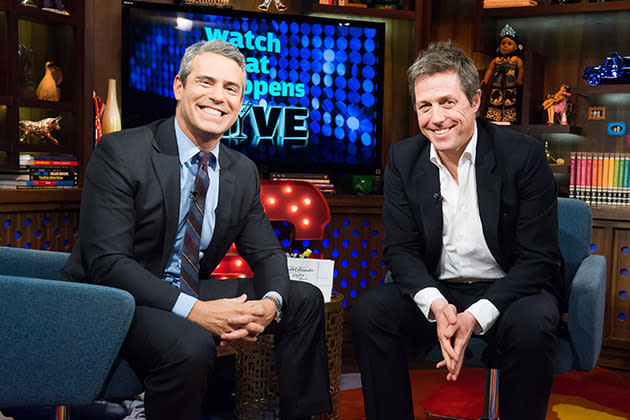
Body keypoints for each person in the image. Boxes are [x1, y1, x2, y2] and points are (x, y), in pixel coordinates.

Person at [60, 39, 331, 420]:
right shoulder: (122, 152)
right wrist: (197, 311)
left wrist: (270, 305)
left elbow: (267, 252)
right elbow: (107, 263)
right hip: (118, 298)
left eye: (231, 88)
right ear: (178, 87)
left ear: (241, 103)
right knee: (191, 341)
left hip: (184, 290)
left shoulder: (241, 170)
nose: (218, 97)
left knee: (302, 300)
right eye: (206, 83)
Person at [351, 42, 563, 420]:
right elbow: (400, 250)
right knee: (371, 310)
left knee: (534, 323)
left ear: (475, 101)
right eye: (425, 106)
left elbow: (538, 259)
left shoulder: (522, 155)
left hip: (511, 290)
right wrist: (437, 304)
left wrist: (476, 315)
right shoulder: (404, 158)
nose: (436, 118)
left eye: (448, 102)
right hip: (441, 289)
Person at [481, 24, 524, 124]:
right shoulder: (496, 60)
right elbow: (489, 70)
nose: (505, 46)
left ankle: (508, 117)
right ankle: (495, 116)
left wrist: (519, 79)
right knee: (496, 99)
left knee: (510, 100)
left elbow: (521, 69)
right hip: (497, 84)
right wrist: (485, 79)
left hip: (511, 84)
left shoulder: (516, 59)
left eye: (509, 44)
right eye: (503, 43)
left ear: (516, 47)